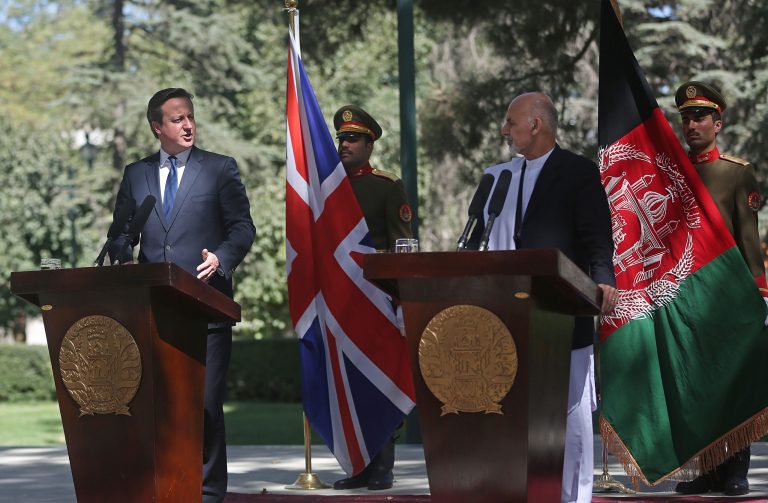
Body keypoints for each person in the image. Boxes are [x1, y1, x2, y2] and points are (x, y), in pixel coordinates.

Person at [468, 92, 617, 503]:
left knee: (571, 412)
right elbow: (474, 241)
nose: (504, 129)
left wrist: (603, 279)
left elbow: (597, 237)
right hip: (504, 315)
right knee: (510, 411)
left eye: (510, 121)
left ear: (535, 125)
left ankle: (574, 497)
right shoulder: (497, 177)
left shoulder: (578, 172)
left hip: (562, 310)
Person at [110, 88, 255, 503]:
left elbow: (243, 227)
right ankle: (165, 486)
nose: (188, 125)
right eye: (177, 119)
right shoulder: (136, 174)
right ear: (157, 127)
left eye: (190, 116)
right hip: (154, 311)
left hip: (205, 306)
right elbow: (122, 232)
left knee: (205, 405)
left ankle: (208, 493)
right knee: (159, 407)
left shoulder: (219, 168)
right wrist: (122, 254)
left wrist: (222, 258)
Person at [672, 81, 766, 497]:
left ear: (717, 123)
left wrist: (760, 294)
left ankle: (735, 470)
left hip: (728, 299)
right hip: (683, 298)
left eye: (700, 117)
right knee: (697, 388)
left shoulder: (736, 172)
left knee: (733, 385)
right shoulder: (673, 173)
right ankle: (708, 469)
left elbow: (749, 239)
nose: (692, 125)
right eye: (686, 118)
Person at [330, 105, 413, 491]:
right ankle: (360, 464)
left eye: (353, 138)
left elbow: (402, 246)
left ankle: (383, 464)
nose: (345, 144)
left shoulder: (386, 186)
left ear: (370, 144)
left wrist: (401, 300)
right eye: (341, 138)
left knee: (382, 379)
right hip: (340, 299)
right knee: (351, 384)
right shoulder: (328, 189)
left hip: (376, 297)